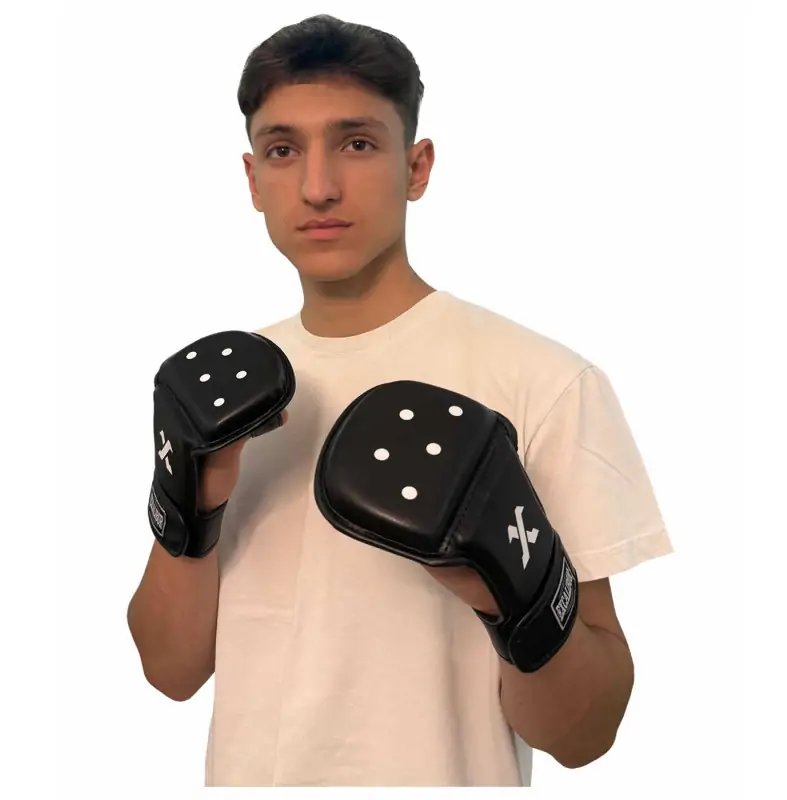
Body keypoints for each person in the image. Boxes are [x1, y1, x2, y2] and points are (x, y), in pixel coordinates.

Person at [126, 13, 673, 788]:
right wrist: (188, 504)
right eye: (283, 150)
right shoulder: (228, 390)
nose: (318, 186)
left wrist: (515, 596)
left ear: (416, 167)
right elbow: (171, 671)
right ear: (252, 180)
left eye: (356, 144)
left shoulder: (543, 381)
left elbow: (584, 735)